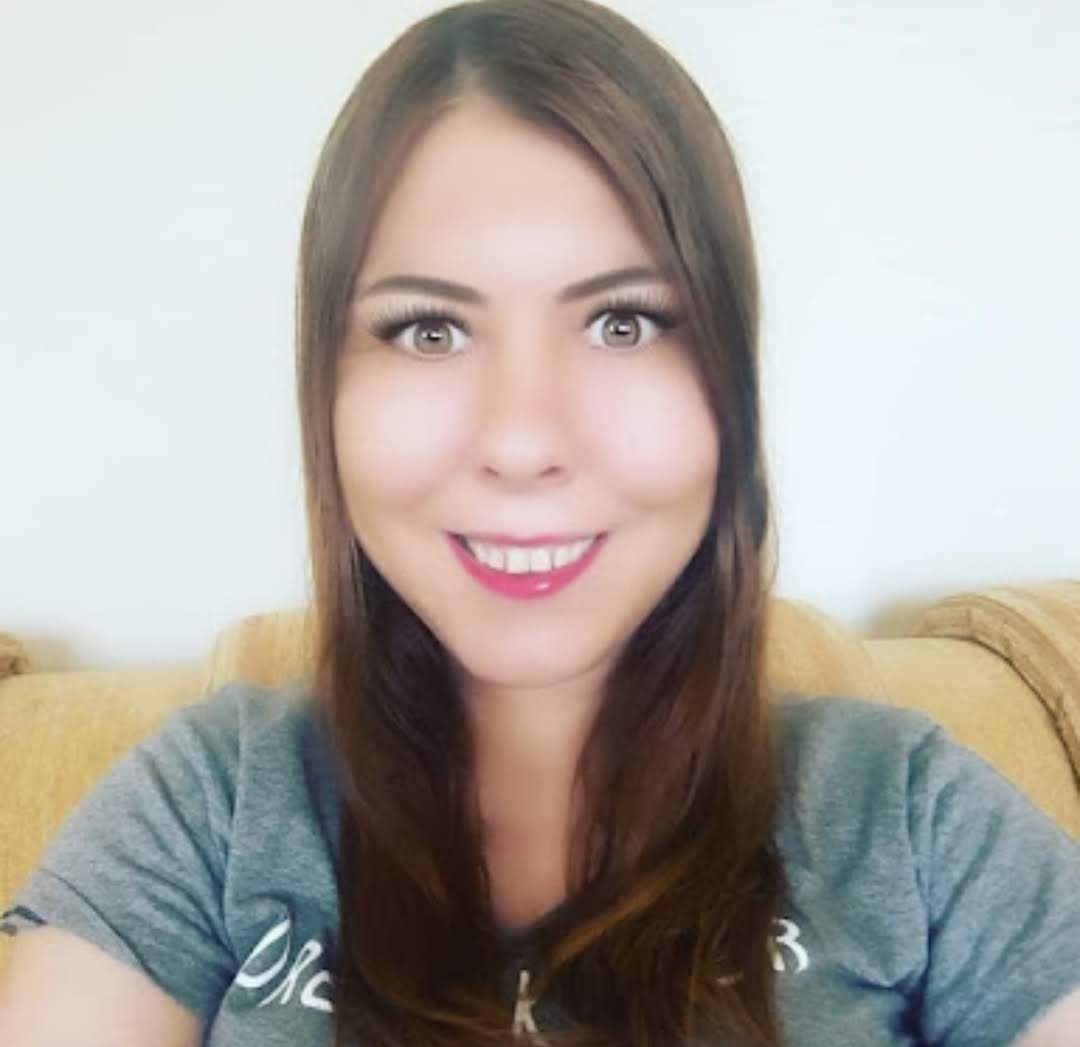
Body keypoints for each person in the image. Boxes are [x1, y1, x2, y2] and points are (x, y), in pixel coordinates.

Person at [2, 1, 1079, 1044]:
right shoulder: (208, 806)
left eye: (625, 322)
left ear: (731, 384)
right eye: (429, 330)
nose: (522, 441)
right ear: (325, 385)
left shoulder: (915, 817)